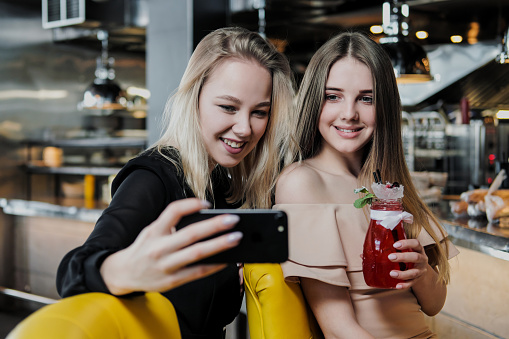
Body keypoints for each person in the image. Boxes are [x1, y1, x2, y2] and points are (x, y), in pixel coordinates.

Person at [57, 27, 295, 339]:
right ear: (194, 97)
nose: (244, 128)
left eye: (259, 112)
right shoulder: (153, 176)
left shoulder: (219, 183)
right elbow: (73, 271)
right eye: (228, 107)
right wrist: (122, 270)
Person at [275, 31, 459, 338]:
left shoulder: (387, 184)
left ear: (384, 106)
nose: (349, 114)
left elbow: (434, 304)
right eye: (333, 96)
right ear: (313, 101)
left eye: (366, 98)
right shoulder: (301, 183)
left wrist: (422, 270)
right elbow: (338, 329)